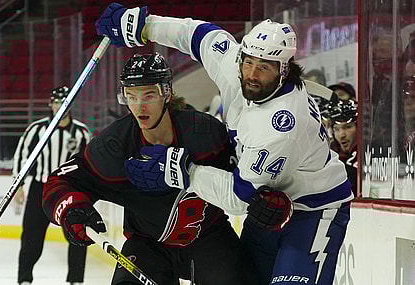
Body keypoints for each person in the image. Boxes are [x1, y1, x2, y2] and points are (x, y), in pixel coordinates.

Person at [96, 4, 354, 284]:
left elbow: (238, 198)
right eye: (249, 62)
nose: (252, 75)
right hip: (266, 205)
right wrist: (145, 26)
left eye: (264, 68)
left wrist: (183, 171)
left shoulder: (281, 124)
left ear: (284, 70)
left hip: (312, 209)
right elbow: (199, 35)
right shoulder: (236, 66)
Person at [42, 53, 258, 285]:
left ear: (167, 93)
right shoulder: (115, 145)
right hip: (148, 244)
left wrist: (267, 196)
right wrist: (71, 209)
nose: (140, 106)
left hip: (208, 237)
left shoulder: (205, 133)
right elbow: (60, 181)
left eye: (149, 95)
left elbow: (245, 177)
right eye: (131, 96)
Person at [12, 86, 92, 285]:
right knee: (31, 235)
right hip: (40, 188)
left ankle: (76, 280)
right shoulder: (36, 129)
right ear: (50, 104)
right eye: (56, 102)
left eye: (64, 102)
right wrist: (19, 186)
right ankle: (24, 280)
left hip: (69, 189)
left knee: (77, 233)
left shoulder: (81, 132)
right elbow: (22, 157)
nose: (60, 106)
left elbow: (89, 163)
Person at [329, 100, 358, 196]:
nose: (341, 135)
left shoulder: (371, 153)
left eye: (348, 127)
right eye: (336, 129)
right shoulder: (330, 155)